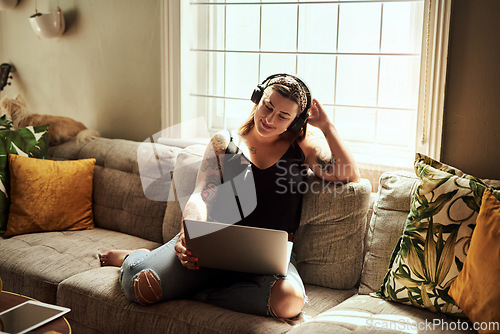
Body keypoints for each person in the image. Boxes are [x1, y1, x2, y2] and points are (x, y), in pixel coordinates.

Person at [100, 74, 360, 319]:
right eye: (268, 106)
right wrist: (188, 233)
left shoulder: (302, 146)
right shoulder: (224, 142)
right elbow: (201, 195)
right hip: (213, 247)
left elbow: (348, 173)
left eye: (283, 116)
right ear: (258, 98)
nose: (270, 119)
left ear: (295, 121)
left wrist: (327, 126)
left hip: (269, 261)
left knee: (290, 301)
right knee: (139, 285)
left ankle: (203, 293)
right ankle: (135, 256)